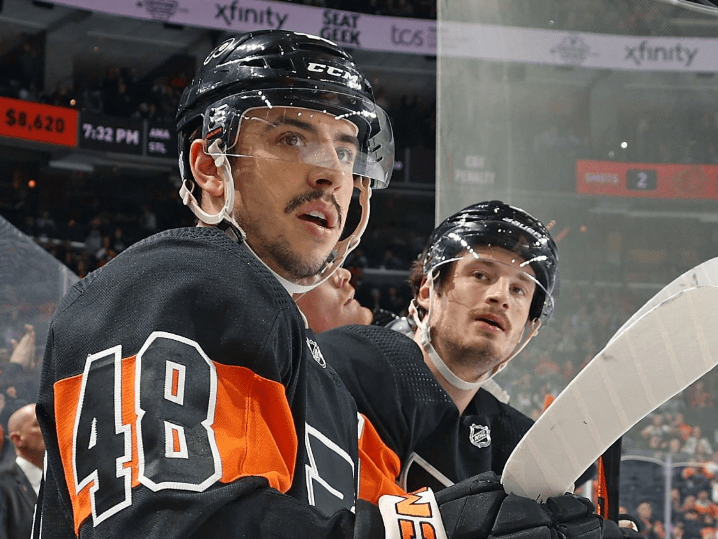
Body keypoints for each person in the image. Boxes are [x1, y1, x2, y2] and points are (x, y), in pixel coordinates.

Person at [31, 31, 604, 539]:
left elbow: (380, 522)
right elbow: (173, 526)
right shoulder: (178, 280)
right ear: (209, 167)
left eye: (345, 149)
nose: (332, 171)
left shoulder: (324, 383)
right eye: (292, 138)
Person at [317, 201, 597, 492]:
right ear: (427, 291)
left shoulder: (512, 444)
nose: (501, 296)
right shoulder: (358, 363)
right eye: (480, 275)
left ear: (528, 326)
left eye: (518, 290)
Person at [0, 403, 45, 539]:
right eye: (38, 424)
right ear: (17, 439)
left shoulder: (62, 481)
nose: (49, 428)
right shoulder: (2, 486)